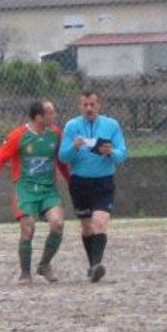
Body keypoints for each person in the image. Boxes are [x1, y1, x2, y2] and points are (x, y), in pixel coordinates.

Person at [0, 100, 71, 284]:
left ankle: (44, 264)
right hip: (25, 189)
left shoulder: (55, 133)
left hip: (48, 188)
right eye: (50, 113)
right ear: (38, 117)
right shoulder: (19, 135)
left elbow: (61, 161)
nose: (54, 116)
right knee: (28, 228)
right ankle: (25, 273)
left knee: (57, 224)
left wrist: (71, 180)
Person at [58, 90, 128, 282]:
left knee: (100, 222)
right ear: (80, 106)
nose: (89, 108)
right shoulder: (72, 126)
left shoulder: (111, 125)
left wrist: (111, 151)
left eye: (92, 104)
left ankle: (97, 264)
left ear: (99, 105)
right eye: (85, 105)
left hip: (103, 181)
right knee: (87, 226)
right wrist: (74, 146)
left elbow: (123, 154)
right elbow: (62, 156)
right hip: (79, 182)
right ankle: (92, 266)